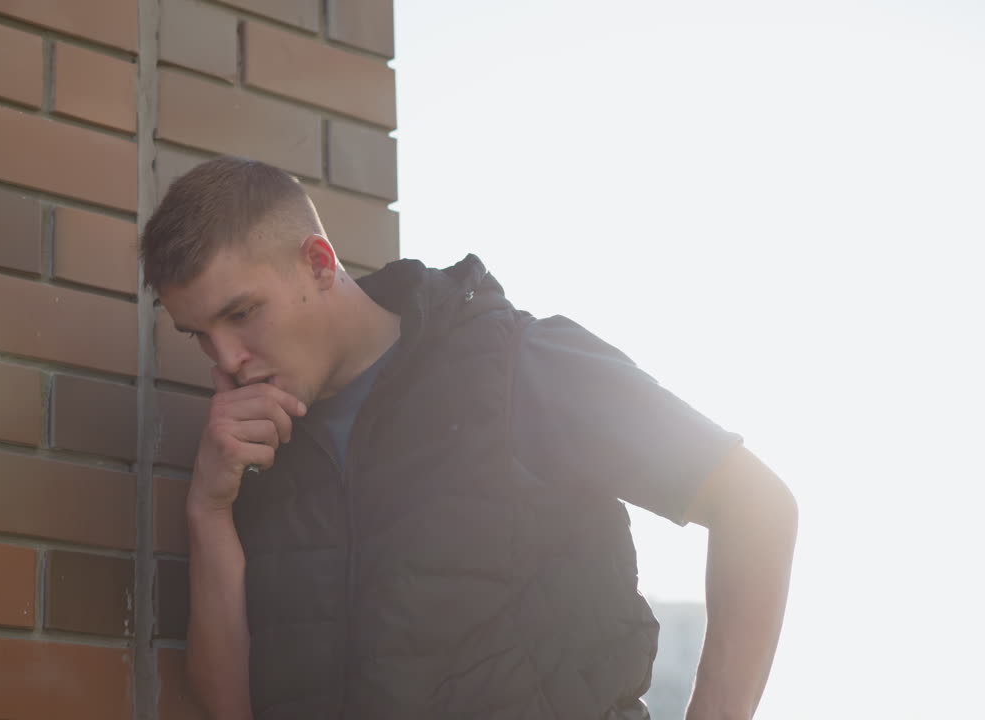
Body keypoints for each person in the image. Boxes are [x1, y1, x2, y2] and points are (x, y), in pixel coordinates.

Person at [140, 156, 797, 720]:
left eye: (241, 314)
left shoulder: (516, 365)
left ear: (317, 263)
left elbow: (755, 506)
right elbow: (229, 709)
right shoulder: (257, 448)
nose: (226, 360)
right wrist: (208, 507)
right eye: (199, 333)